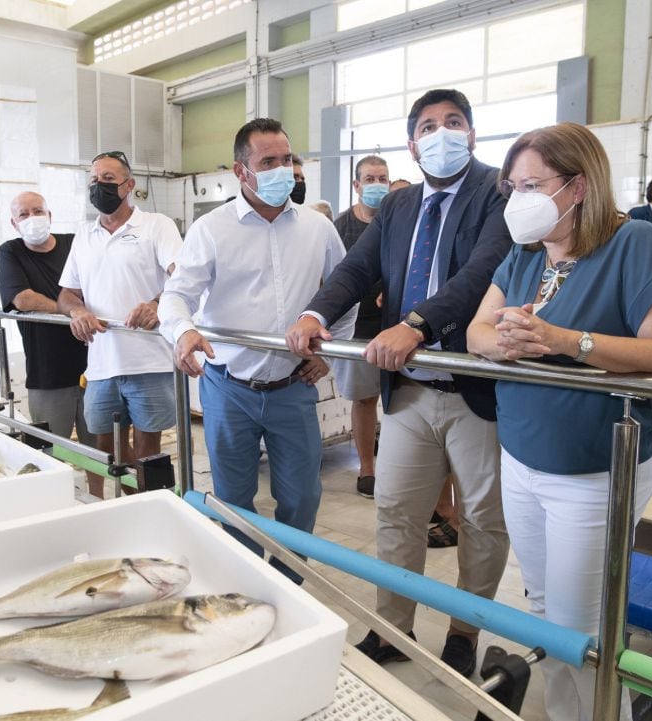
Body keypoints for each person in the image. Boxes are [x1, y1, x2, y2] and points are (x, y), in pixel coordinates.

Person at [466, 122, 652, 721]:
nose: (519, 199)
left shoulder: (636, 246)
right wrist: (506, 345)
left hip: (596, 466)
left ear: (578, 185)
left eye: (533, 185)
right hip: (521, 454)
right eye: (512, 187)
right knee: (544, 610)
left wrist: (567, 341)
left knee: (580, 628)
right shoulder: (524, 256)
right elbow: (476, 331)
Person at [286, 88, 511, 677]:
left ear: (472, 133)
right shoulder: (400, 206)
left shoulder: (497, 193)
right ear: (414, 144)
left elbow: (483, 271)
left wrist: (417, 323)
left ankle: (464, 632)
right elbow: (358, 268)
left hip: (476, 394)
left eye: (454, 122)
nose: (443, 133)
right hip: (408, 391)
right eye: (430, 126)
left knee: (484, 524)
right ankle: (392, 627)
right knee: (395, 512)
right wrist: (315, 314)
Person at [160, 118, 354, 582]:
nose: (281, 170)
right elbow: (177, 294)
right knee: (232, 496)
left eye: (286, 159)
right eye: (268, 161)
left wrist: (331, 353)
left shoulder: (317, 228)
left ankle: (288, 580)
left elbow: (347, 291)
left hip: (292, 386)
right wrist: (183, 331)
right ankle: (244, 579)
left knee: (302, 495)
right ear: (240, 170)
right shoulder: (211, 229)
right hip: (229, 387)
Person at [58, 151, 181, 487]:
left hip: (148, 361)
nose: (100, 186)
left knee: (148, 449)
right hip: (101, 362)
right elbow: (66, 293)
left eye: (108, 180)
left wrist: (159, 303)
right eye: (94, 181)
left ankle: (149, 510)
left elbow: (183, 277)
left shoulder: (157, 225)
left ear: (130, 185)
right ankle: (112, 509)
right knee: (105, 446)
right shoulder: (84, 234)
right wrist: (77, 310)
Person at [0, 191, 100, 494]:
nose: (32, 219)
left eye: (37, 211)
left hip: (94, 365)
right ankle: (52, 502)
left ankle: (98, 497)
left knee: (97, 447)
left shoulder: (74, 243)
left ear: (50, 215)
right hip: (47, 370)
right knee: (48, 450)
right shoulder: (11, 252)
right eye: (24, 214)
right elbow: (22, 298)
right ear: (14, 222)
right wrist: (73, 310)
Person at [331, 154, 390, 498]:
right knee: (365, 399)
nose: (377, 185)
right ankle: (366, 466)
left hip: (399, 324)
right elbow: (336, 278)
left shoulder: (400, 219)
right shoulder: (341, 228)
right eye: (370, 179)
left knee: (401, 401)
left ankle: (396, 465)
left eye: (382, 178)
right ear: (356, 185)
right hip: (358, 327)